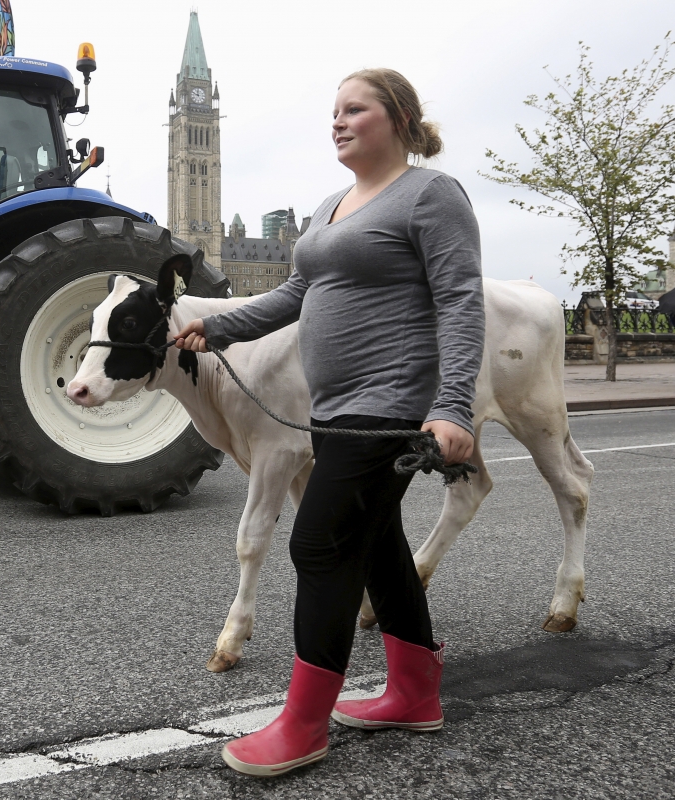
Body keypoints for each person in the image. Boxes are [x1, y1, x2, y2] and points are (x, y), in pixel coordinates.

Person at [175, 69, 484, 777]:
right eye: (334, 112)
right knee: (375, 545)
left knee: (318, 544)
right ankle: (412, 691)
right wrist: (213, 329)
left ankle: (304, 724)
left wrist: (453, 404)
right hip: (335, 404)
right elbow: (296, 292)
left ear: (399, 117)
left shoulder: (431, 194)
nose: (338, 121)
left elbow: (461, 300)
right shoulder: (330, 205)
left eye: (355, 109)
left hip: (391, 402)